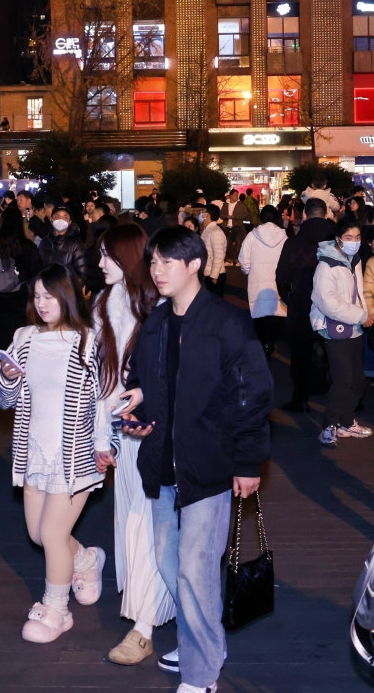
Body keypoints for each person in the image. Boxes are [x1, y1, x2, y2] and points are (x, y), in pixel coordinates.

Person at [121, 226, 272, 692]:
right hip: (164, 465)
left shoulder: (226, 323)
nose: (158, 270)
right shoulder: (156, 323)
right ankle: (201, 642)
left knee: (193, 570)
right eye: (153, 262)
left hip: (209, 467)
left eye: (168, 261)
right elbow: (151, 383)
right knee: (174, 568)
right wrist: (140, 410)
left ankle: (202, 672)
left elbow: (252, 395)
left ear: (195, 266)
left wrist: (248, 462)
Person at [0, 265, 109, 644]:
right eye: (36, 296)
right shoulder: (24, 338)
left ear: (69, 296)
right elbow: (1, 399)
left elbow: (107, 398)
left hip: (75, 458)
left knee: (54, 534)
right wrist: (6, 377)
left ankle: (55, 610)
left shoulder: (90, 340)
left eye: (49, 296)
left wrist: (107, 444)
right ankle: (86, 561)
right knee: (40, 534)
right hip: (32, 454)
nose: (41, 304)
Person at [90, 224, 177, 665]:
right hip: (121, 435)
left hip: (155, 435)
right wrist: (101, 434)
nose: (100, 263)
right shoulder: (104, 303)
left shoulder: (160, 309)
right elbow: (100, 379)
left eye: (108, 256)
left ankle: (143, 627)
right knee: (132, 526)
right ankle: (155, 609)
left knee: (148, 529)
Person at [311, 218, 372, 446]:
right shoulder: (326, 265)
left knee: (357, 380)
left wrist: (363, 315)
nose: (354, 242)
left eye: (357, 237)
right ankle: (330, 425)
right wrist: (361, 316)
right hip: (333, 329)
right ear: (338, 239)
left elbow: (358, 292)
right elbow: (327, 302)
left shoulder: (354, 260)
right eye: (348, 238)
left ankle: (347, 420)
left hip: (354, 328)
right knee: (343, 379)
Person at [275, 197, 339, 412]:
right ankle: (335, 394)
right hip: (332, 303)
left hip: (302, 302)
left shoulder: (294, 242)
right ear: (326, 214)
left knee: (301, 353)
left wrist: (289, 297)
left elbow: (282, 276)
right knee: (333, 351)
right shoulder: (336, 242)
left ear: (304, 215)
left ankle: (300, 398)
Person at [0, 208, 44, 350]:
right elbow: (36, 269)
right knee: (19, 332)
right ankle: (17, 362)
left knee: (0, 332)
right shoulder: (27, 245)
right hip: (20, 295)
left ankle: (1, 362)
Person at [237, 205, 289, 356]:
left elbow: (243, 259)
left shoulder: (252, 236)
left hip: (257, 281)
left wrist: (248, 271)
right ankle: (271, 343)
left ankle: (263, 344)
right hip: (276, 282)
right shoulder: (284, 237)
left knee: (260, 315)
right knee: (275, 312)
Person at [41, 206, 87, 277]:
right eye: (57, 216)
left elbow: (82, 273)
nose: (61, 220)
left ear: (69, 222)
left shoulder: (76, 244)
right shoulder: (44, 242)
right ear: (51, 219)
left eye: (65, 217)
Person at [198, 205, 227, 294]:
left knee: (215, 303)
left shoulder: (216, 232)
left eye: (203, 212)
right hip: (207, 272)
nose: (201, 214)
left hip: (214, 275)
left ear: (208, 215)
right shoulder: (207, 230)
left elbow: (219, 255)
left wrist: (214, 276)